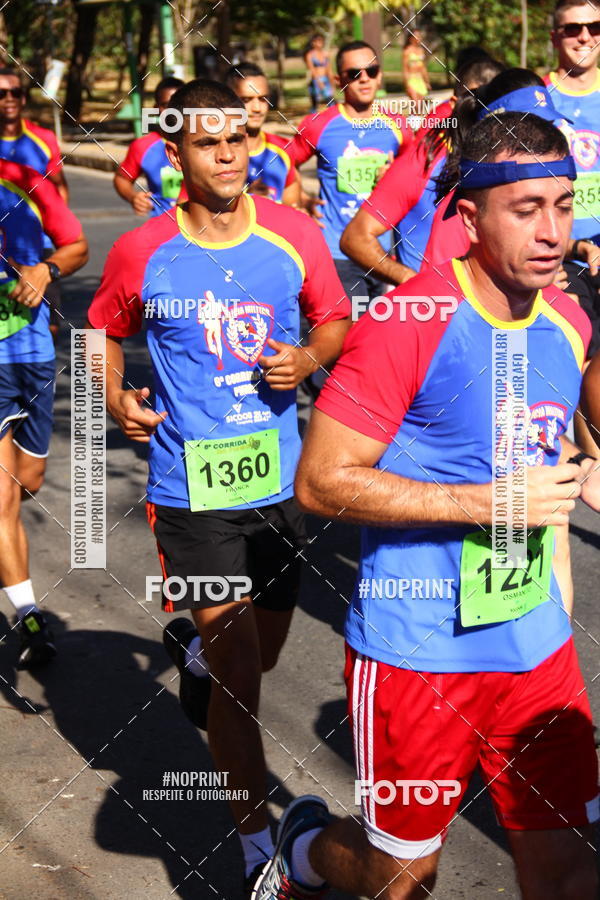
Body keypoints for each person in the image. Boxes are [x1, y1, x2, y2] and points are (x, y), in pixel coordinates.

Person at [253, 112, 600, 899]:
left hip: (536, 649)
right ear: (470, 217)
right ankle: (304, 852)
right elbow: (320, 481)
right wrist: (482, 501)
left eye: (563, 204)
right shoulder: (407, 322)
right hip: (419, 653)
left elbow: (562, 449)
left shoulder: (570, 319)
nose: (552, 232)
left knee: (570, 871)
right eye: (526, 209)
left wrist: (582, 472)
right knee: (402, 874)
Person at [86, 78, 350, 899]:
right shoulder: (143, 250)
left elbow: (335, 318)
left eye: (238, 137)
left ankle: (194, 655)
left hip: (277, 484)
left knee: (261, 656)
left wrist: (308, 358)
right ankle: (257, 851)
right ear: (177, 155)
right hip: (190, 490)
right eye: (209, 142)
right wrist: (112, 395)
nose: (230, 153)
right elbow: (102, 328)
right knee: (240, 673)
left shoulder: (294, 233)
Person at [0, 160, 87, 667]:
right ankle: (29, 614)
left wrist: (45, 270)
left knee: (28, 478)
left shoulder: (25, 179)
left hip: (32, 357)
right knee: (4, 499)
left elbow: (77, 247)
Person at [340, 54, 503, 285]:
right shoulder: (424, 162)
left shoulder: (515, 160)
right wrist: (416, 285)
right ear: (454, 104)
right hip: (435, 314)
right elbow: (354, 239)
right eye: (473, 101)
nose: (483, 112)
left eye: (495, 104)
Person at [291, 40, 413, 301]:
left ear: (380, 76)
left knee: (375, 331)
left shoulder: (397, 125)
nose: (364, 79)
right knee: (349, 330)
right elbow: (284, 162)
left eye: (372, 71)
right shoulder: (319, 125)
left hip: (382, 252)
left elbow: (414, 175)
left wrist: (394, 177)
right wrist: (301, 199)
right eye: (354, 74)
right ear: (339, 80)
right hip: (337, 252)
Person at [544, 0, 600, 450]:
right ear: (554, 37)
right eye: (572, 29)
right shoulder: (536, 101)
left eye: (594, 26)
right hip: (559, 253)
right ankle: (592, 466)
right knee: (580, 359)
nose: (585, 36)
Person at [0, 67, 69, 340]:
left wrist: (58, 234)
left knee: (49, 324)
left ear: (24, 98)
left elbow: (60, 187)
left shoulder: (44, 139)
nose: (9, 98)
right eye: (1, 93)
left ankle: (40, 375)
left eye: (15, 92)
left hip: (41, 247)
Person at [225, 63, 300, 205]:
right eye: (246, 100)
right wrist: (244, 199)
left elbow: (293, 210)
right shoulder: (212, 152)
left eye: (263, 99)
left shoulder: (283, 148)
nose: (257, 108)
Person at [113, 76, 185, 217]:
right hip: (163, 231)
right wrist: (133, 197)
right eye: (166, 105)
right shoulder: (143, 146)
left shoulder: (205, 143)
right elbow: (121, 178)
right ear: (156, 108)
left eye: (178, 106)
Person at [304, 35, 334, 113]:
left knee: (330, 100)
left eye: (321, 41)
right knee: (315, 103)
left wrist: (332, 82)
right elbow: (312, 69)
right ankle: (313, 118)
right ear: (313, 43)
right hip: (315, 80)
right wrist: (318, 81)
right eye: (317, 41)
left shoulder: (325, 54)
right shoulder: (310, 55)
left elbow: (329, 69)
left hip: (325, 79)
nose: (319, 43)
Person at [403, 30, 431, 104]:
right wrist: (407, 85)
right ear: (411, 38)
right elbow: (405, 69)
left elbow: (423, 68)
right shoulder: (407, 51)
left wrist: (427, 82)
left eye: (420, 36)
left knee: (420, 107)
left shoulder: (421, 50)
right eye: (417, 36)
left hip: (420, 80)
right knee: (416, 105)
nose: (419, 38)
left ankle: (414, 116)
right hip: (411, 80)